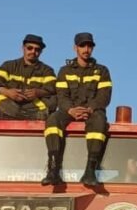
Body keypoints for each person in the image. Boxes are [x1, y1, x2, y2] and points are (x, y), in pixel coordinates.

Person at [41, 32, 113, 187]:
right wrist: (70, 110)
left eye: (89, 46)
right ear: (75, 48)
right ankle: (53, 169)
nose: (86, 49)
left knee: (100, 122)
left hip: (92, 112)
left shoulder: (102, 71)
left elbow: (104, 97)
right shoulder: (64, 71)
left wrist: (90, 109)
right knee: (52, 119)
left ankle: (90, 171)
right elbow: (61, 96)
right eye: (82, 46)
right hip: (69, 111)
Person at [0, 34, 56, 120]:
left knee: (55, 98)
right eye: (30, 48)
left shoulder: (47, 70)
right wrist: (8, 92)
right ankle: (27, 116)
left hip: (33, 106)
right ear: (23, 48)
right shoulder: (9, 65)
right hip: (10, 104)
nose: (33, 51)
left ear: (41, 52)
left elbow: (52, 88)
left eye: (37, 49)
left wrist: (38, 92)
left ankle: (7, 115)